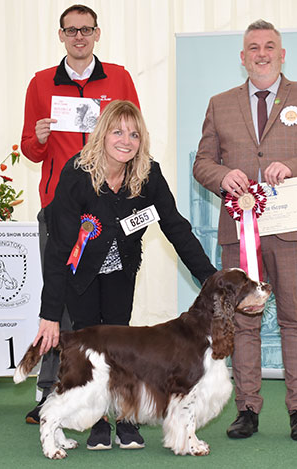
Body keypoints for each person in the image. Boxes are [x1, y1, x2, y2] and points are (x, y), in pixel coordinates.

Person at [33, 99, 217, 450]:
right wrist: (49, 314)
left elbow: (176, 228)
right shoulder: (76, 174)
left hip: (121, 268)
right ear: (103, 134)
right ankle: (99, 422)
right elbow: (58, 250)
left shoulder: (148, 174)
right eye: (117, 132)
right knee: (90, 348)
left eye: (134, 134)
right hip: (79, 271)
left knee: (122, 346)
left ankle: (126, 418)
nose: (125, 140)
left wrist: (209, 278)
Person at [21, 4, 139, 426]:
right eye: (71, 30)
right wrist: (37, 139)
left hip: (109, 208)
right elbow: (31, 150)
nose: (78, 36)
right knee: (61, 300)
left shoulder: (120, 78)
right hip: (60, 209)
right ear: (60, 35)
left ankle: (114, 397)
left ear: (97, 33)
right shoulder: (39, 83)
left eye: (86, 29)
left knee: (109, 307)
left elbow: (135, 137)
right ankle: (52, 392)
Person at [193, 19, 297, 441]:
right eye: (253, 47)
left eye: (269, 46)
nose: (261, 53)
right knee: (244, 322)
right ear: (242, 58)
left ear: (282, 54)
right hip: (240, 233)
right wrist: (224, 177)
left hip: (290, 232)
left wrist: (291, 168)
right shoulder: (219, 103)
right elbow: (202, 163)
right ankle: (248, 409)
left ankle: (296, 409)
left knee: (294, 321)